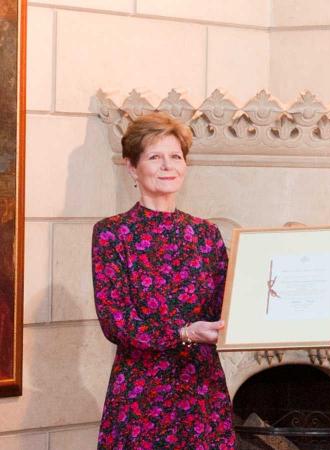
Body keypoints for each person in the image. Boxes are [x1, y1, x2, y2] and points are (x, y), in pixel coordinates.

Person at [92, 112, 236, 449]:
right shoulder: (112, 233)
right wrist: (184, 333)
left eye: (175, 156)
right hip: (141, 392)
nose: (167, 166)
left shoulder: (206, 233)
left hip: (201, 387)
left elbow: (226, 307)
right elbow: (116, 323)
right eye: (155, 157)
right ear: (132, 167)